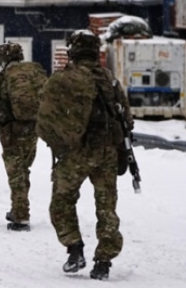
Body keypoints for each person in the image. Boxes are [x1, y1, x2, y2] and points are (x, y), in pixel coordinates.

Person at [37, 30, 134, 281]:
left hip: (75, 154)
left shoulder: (64, 79)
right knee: (106, 208)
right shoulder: (109, 79)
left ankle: (74, 248)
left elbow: (45, 119)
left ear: (73, 52)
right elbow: (127, 119)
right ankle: (103, 261)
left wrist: (60, 142)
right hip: (107, 153)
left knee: (61, 202)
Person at [0, 42, 48, 231]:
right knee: (23, 168)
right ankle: (18, 207)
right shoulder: (35, 73)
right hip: (33, 129)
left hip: (12, 130)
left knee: (15, 172)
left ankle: (21, 216)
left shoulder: (2, 77)